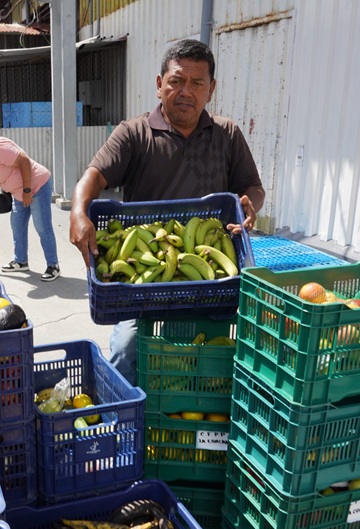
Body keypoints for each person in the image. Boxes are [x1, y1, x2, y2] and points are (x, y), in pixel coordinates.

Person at [69, 39, 265, 384]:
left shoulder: (227, 135)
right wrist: (78, 212)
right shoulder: (134, 133)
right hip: (143, 281)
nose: (186, 91)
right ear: (160, 84)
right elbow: (94, 176)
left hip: (208, 281)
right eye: (176, 81)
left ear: (211, 89)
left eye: (197, 83)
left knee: (220, 362)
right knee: (125, 354)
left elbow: (253, 187)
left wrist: (250, 204)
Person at [0, 127, 61, 281]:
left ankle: (53, 266)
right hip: (18, 194)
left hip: (36, 187)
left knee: (42, 227)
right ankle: (21, 261)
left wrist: (27, 190)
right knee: (17, 226)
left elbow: (23, 160)